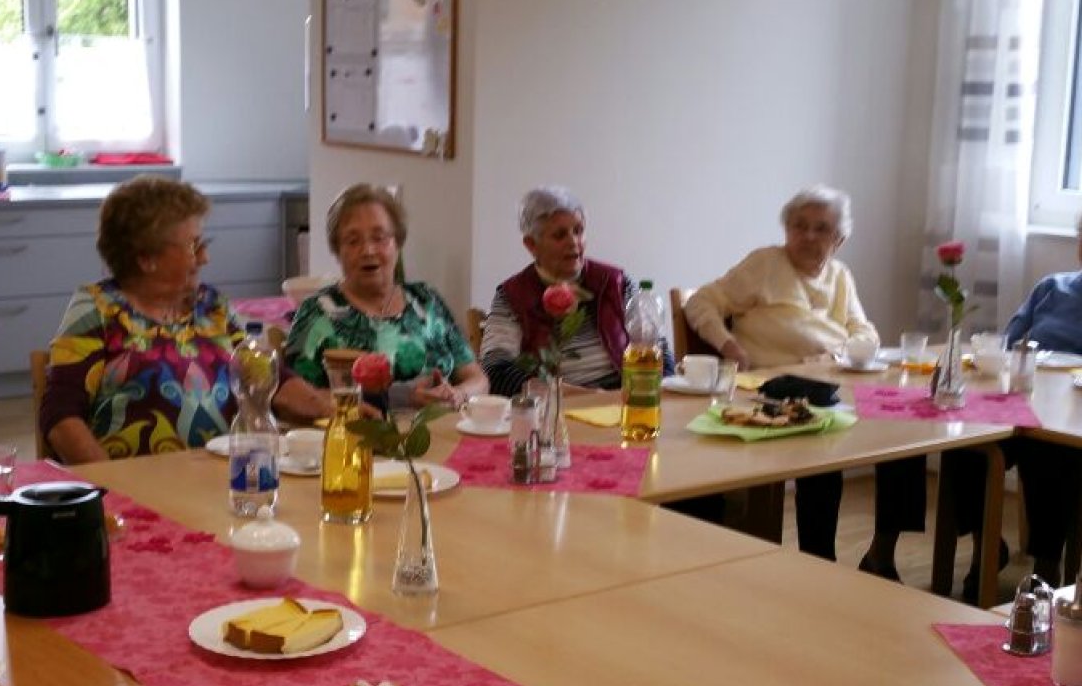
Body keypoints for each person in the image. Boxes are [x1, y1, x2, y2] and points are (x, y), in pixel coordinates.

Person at [685, 185, 924, 569]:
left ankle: (883, 551)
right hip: (772, 390)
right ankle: (819, 557)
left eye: (821, 228)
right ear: (786, 230)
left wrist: (839, 353)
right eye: (799, 226)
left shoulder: (840, 276)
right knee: (822, 437)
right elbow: (701, 301)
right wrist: (728, 345)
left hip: (833, 385)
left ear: (839, 240)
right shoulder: (765, 265)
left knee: (904, 432)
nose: (809, 236)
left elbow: (865, 332)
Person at [41, 178, 330, 462]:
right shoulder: (97, 309)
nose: (205, 257)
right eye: (194, 246)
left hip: (222, 476)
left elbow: (264, 376)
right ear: (146, 258)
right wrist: (108, 484)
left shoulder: (211, 306)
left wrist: (329, 406)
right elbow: (61, 417)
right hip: (134, 482)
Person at [948, 223, 1082, 597]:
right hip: (1023, 400)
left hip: (1071, 416)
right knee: (964, 443)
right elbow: (1008, 343)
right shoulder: (1052, 287)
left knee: (1052, 452)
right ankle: (986, 547)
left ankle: (1046, 565)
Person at [285, 184, 487, 409]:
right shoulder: (317, 313)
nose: (368, 250)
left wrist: (458, 393)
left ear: (397, 243)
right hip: (360, 428)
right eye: (353, 241)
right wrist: (403, 398)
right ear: (337, 251)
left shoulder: (426, 301)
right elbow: (295, 398)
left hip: (444, 425)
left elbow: (478, 380)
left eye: (379, 238)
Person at [480, 186, 675, 396]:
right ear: (531, 245)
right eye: (559, 235)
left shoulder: (616, 283)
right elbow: (495, 371)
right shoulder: (512, 295)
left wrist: (650, 394)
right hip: (554, 407)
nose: (574, 242)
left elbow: (659, 351)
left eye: (579, 231)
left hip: (623, 400)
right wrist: (572, 395)